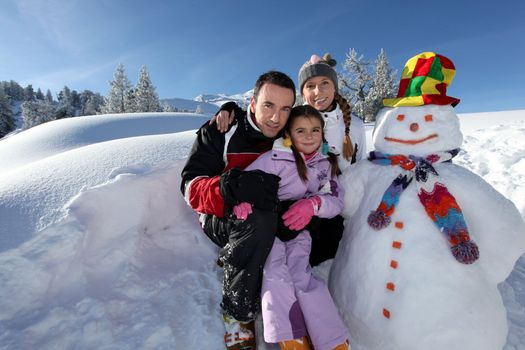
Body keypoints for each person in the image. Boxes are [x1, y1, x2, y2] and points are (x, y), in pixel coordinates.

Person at [212, 53, 367, 266]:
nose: (318, 92)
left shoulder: (355, 126)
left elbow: (360, 166)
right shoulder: (293, 119)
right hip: (297, 202)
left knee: (326, 255)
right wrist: (228, 107)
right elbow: (266, 115)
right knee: (285, 251)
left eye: (325, 84)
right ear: (302, 93)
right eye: (310, 86)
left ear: (335, 87)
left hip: (333, 203)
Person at [180, 71, 296, 350]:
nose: (275, 118)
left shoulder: (291, 134)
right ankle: (236, 311)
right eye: (268, 105)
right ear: (252, 103)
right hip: (221, 217)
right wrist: (228, 188)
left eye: (285, 109)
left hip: (272, 213)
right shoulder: (222, 130)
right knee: (258, 220)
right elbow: (189, 188)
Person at [232, 105, 349, 350]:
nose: (309, 136)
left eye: (315, 130)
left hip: (298, 229)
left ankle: (332, 339)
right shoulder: (274, 159)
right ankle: (291, 336)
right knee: (276, 273)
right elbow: (244, 183)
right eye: (301, 130)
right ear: (288, 134)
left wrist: (314, 204)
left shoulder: (326, 165)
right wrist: (241, 205)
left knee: (301, 274)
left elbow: (336, 200)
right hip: (269, 230)